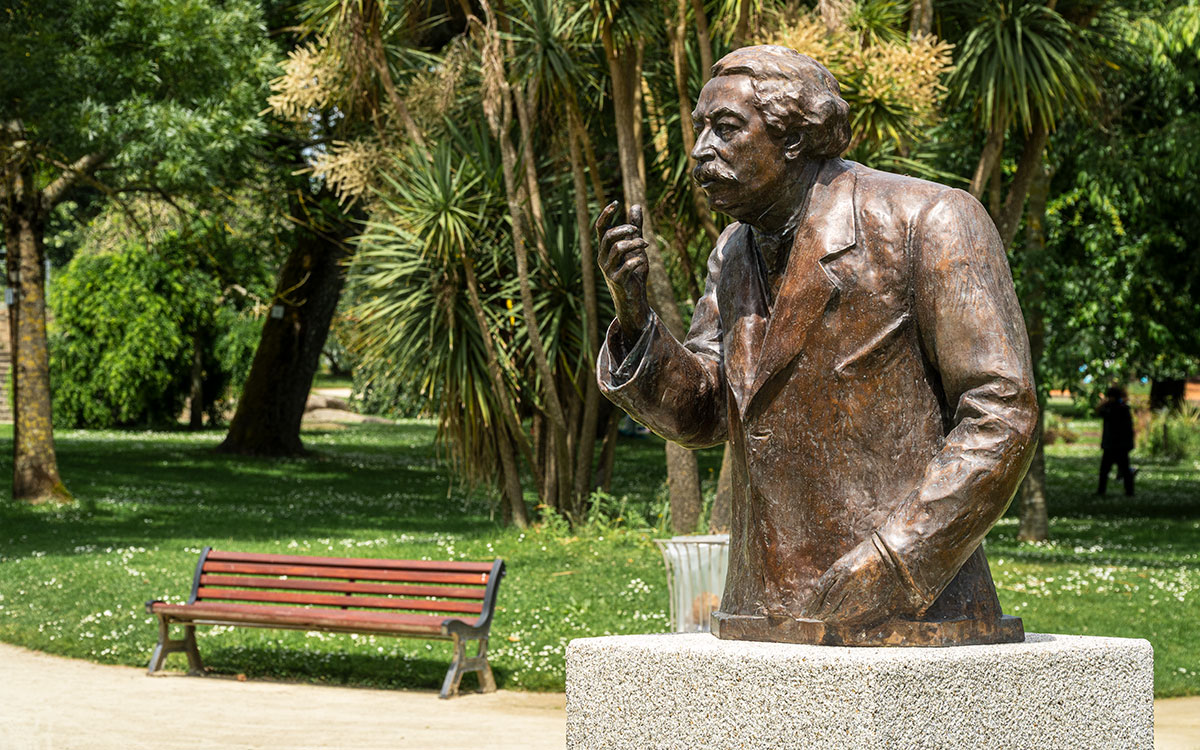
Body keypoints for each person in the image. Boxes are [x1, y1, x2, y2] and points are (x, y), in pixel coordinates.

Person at [594, 46, 1037, 645]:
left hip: (908, 609)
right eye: (699, 130)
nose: (700, 150)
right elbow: (703, 411)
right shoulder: (732, 252)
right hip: (763, 608)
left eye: (725, 128)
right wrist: (633, 315)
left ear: (795, 136)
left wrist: (895, 561)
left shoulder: (930, 220)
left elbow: (1001, 414)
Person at [1097, 386, 1136, 496]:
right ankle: (1129, 491)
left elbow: (1099, 411)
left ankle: (1102, 491)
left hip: (1114, 445)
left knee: (1106, 470)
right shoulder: (1124, 408)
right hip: (1120, 445)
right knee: (1124, 470)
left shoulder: (1113, 409)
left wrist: (1103, 402)